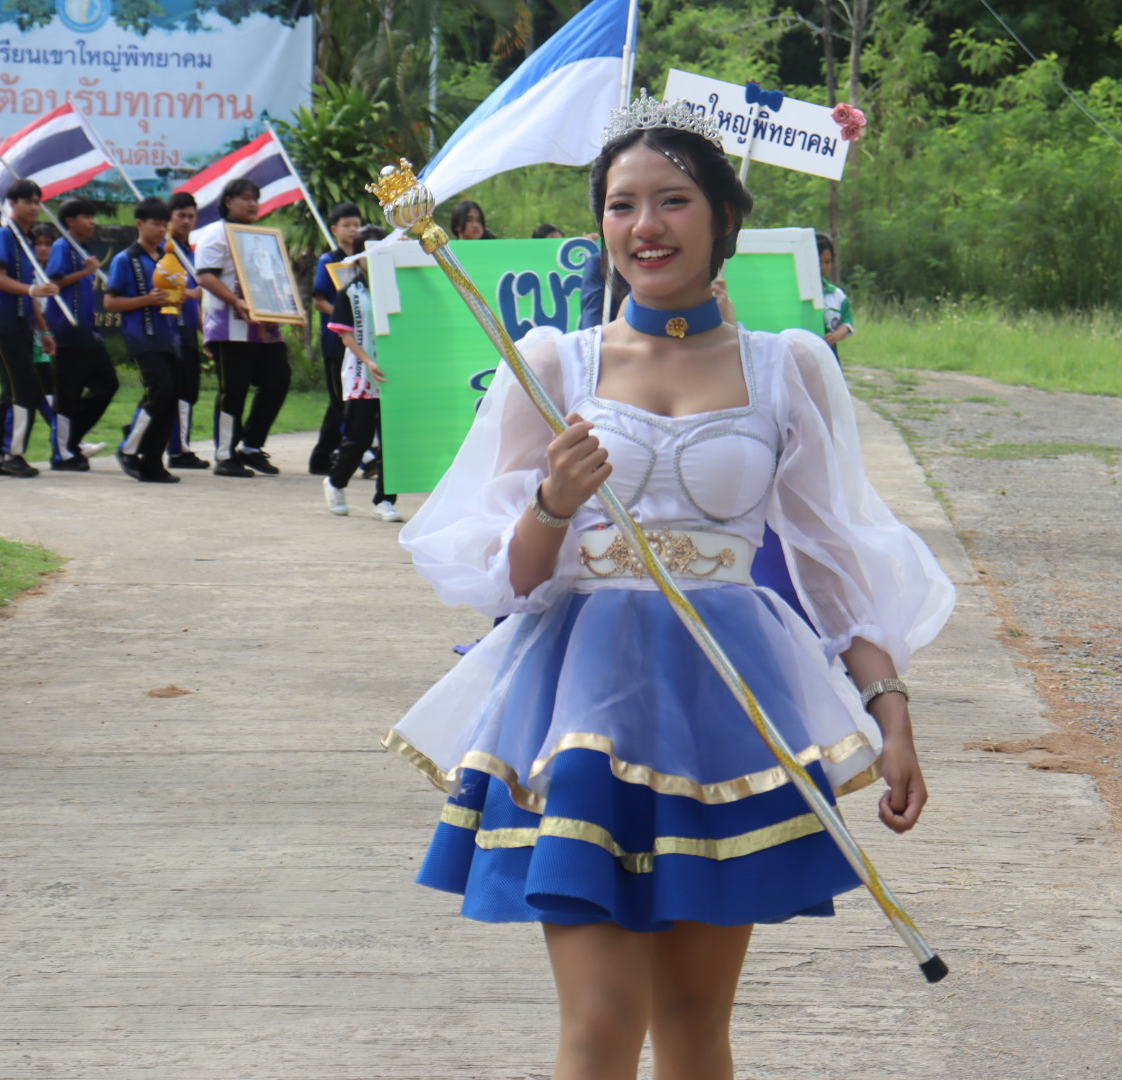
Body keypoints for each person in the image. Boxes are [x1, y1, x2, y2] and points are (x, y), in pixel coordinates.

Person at [383, 97, 956, 1080]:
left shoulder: (788, 368)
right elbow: (505, 577)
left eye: (672, 200)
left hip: (725, 713)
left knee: (694, 1028)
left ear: (724, 217)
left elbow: (832, 562)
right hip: (583, 712)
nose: (645, 226)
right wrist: (554, 505)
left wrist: (891, 712)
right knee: (601, 1022)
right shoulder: (553, 366)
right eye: (622, 205)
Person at [192, 177, 289, 478]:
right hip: (230, 326)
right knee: (233, 390)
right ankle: (225, 454)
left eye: (255, 198)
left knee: (277, 380)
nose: (253, 204)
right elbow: (205, 276)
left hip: (265, 327)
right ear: (228, 202)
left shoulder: (260, 237)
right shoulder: (215, 233)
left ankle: (250, 446)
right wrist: (236, 301)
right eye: (246, 198)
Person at [322, 225, 401, 522]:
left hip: (393, 373)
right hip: (362, 374)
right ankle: (335, 482)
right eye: (370, 252)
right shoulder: (349, 293)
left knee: (393, 440)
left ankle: (385, 500)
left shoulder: (398, 286)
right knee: (359, 437)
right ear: (358, 257)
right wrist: (368, 361)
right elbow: (346, 336)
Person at [0, 178, 59, 478]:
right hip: (3, 321)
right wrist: (31, 290)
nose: (34, 207)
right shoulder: (6, 235)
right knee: (23, 388)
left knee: (10, 390)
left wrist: (43, 331)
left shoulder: (27, 241)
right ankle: (13, 454)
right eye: (28, 201)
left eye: (38, 202)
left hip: (21, 322)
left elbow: (30, 295)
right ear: (12, 204)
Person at [104, 197, 181, 484]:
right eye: (156, 224)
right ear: (140, 224)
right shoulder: (125, 259)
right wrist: (146, 299)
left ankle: (152, 461)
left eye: (164, 225)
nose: (161, 230)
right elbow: (110, 302)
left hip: (168, 336)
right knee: (159, 390)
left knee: (171, 397)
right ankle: (129, 447)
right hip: (141, 336)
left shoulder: (166, 258)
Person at [45, 199, 117, 471]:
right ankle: (62, 454)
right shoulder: (62, 246)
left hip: (87, 332)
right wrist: (86, 272)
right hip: (67, 331)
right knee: (67, 394)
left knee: (107, 384)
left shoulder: (80, 249)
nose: (92, 222)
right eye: (86, 217)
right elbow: (54, 281)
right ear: (70, 221)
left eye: (92, 216)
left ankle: (72, 438)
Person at [307, 201, 363, 475]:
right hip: (335, 340)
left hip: (360, 341)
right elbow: (319, 300)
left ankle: (324, 456)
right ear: (334, 229)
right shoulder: (328, 260)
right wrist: (344, 317)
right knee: (339, 400)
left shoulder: (363, 260)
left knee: (349, 400)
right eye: (346, 225)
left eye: (356, 225)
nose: (352, 230)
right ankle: (327, 457)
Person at [164, 190, 208, 469]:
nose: (186, 221)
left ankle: (179, 445)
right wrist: (192, 293)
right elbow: (165, 288)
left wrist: (206, 332)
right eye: (180, 216)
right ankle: (178, 450)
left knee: (189, 390)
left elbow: (196, 297)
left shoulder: (190, 253)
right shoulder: (165, 251)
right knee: (176, 390)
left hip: (189, 330)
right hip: (170, 330)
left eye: (190, 216)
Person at [816, 232, 853, 359]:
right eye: (818, 262)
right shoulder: (797, 294)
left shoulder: (836, 295)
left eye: (827, 262)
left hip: (830, 354)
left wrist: (835, 336)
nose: (823, 267)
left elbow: (846, 323)